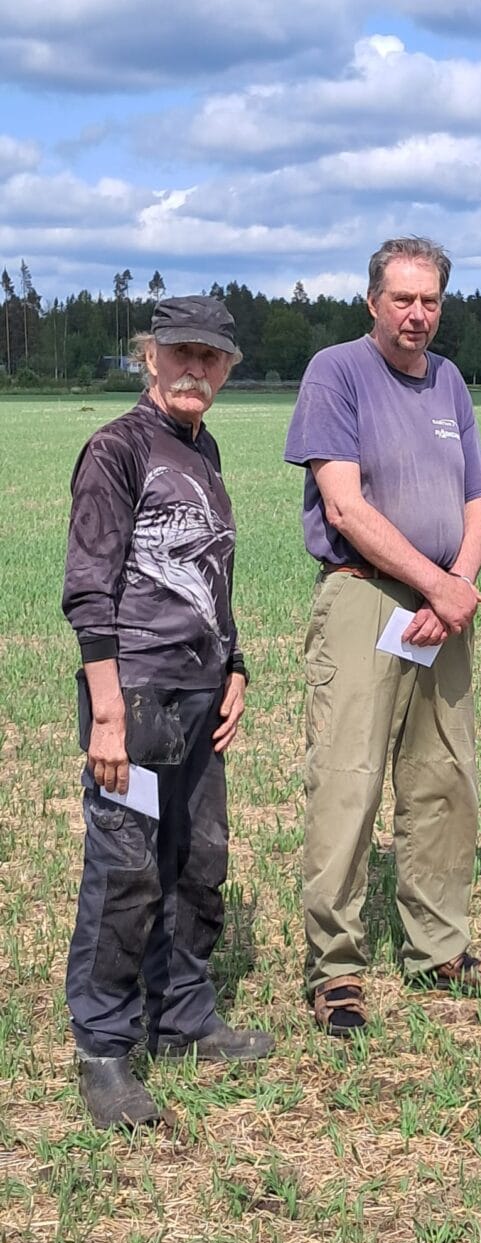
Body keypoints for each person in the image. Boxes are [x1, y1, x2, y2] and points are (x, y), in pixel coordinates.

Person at [284, 236, 481, 1036]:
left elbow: (479, 498)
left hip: (445, 610)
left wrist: (458, 589)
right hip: (365, 600)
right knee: (347, 782)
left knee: (444, 779)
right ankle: (336, 969)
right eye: (402, 299)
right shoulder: (336, 372)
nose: (417, 314)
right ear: (372, 302)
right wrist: (437, 584)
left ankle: (438, 948)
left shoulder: (449, 380)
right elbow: (344, 507)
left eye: (430, 301)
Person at [62, 295, 274, 1129]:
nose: (195, 368)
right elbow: (89, 590)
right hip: (137, 697)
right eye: (181, 352)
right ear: (150, 356)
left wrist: (235, 663)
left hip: (200, 694)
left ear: (226, 368)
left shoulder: (201, 447)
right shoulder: (115, 449)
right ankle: (104, 1049)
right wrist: (107, 715)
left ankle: (183, 1019)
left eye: (210, 357)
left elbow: (211, 574)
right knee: (125, 871)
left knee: (196, 862)